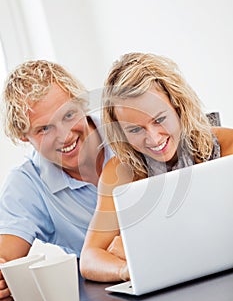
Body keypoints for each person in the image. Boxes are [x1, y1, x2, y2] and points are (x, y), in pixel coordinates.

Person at [80, 52, 233, 283]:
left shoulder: (225, 144)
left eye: (159, 119)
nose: (153, 139)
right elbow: (90, 258)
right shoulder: (119, 173)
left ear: (178, 107)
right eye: (135, 130)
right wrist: (128, 270)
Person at [0, 60, 113, 301]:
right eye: (43, 129)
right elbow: (5, 259)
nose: (65, 136)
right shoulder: (27, 184)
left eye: (69, 115)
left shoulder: (127, 128)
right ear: (23, 135)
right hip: (113, 300)